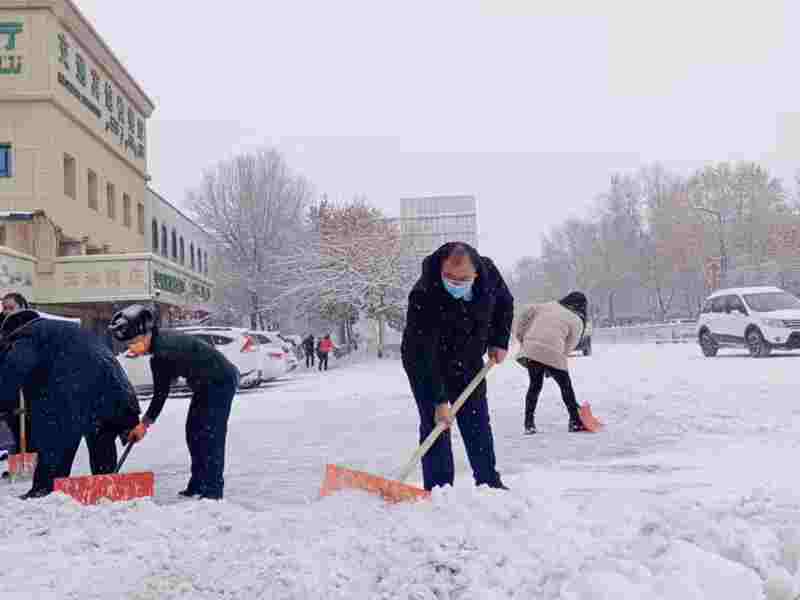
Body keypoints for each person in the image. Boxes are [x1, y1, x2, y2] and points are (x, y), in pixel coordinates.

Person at [401, 242, 514, 491]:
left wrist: (499, 340)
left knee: (476, 418)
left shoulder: (488, 275)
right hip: (426, 360)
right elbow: (422, 352)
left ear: (475, 273)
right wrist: (439, 401)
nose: (453, 282)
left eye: (461, 279)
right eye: (448, 277)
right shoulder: (424, 293)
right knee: (437, 422)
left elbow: (505, 304)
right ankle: (439, 488)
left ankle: (488, 480)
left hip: (469, 357)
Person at [0, 309, 141, 498]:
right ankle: (107, 487)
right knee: (102, 438)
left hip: (70, 395)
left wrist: (3, 402)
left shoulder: (27, 335)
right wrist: (129, 417)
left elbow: (14, 371)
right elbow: (108, 364)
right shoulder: (73, 331)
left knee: (54, 442)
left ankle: (45, 491)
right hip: (112, 394)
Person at [109, 304, 239, 500]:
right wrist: (145, 423)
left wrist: (144, 424)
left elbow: (160, 394)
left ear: (148, 333)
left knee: (210, 435)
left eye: (135, 341)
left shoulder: (163, 352)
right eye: (129, 344)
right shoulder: (159, 346)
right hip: (204, 384)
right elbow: (161, 391)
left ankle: (212, 490)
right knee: (194, 433)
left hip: (220, 381)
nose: (133, 347)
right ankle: (198, 483)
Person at [514, 292, 588, 434]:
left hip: (531, 350)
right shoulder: (577, 320)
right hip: (554, 352)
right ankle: (575, 421)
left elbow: (525, 312)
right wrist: (556, 361)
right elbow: (570, 345)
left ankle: (529, 424)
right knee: (566, 387)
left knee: (534, 386)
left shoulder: (547, 305)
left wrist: (521, 336)